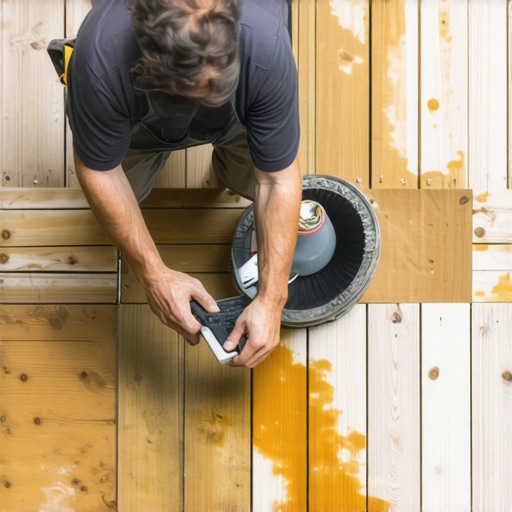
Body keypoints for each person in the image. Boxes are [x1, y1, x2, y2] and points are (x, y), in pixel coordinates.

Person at [65, 0, 302, 368]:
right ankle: (120, 111)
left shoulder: (266, 45)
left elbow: (275, 179)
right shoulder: (100, 61)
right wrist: (153, 275)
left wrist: (273, 297)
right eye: (197, 85)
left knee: (248, 181)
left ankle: (227, 149)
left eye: (222, 75)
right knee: (128, 192)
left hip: (245, 108)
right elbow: (100, 171)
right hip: (141, 118)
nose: (214, 87)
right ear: (152, 64)